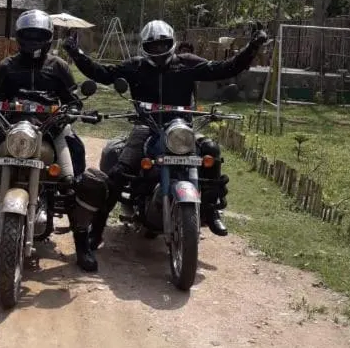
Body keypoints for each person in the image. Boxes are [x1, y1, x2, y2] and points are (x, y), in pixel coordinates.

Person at [64, 18, 268, 245]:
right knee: (119, 173)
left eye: (163, 44)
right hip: (146, 127)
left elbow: (225, 68)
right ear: (145, 46)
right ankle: (97, 230)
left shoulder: (187, 63)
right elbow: (102, 73)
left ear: (172, 42)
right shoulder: (136, 66)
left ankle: (210, 211)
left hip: (181, 128)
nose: (159, 49)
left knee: (210, 149)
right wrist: (76, 53)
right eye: (153, 46)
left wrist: (253, 47)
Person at [0, 9, 108, 272]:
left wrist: (70, 113)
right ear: (19, 37)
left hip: (50, 128)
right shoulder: (7, 66)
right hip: (10, 126)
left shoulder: (58, 66)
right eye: (28, 35)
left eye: (39, 36)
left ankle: (82, 244)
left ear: (48, 38)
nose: (33, 40)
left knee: (73, 172)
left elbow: (72, 100)